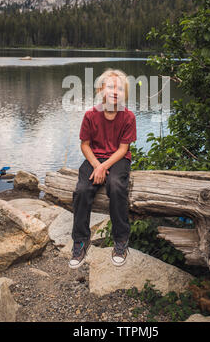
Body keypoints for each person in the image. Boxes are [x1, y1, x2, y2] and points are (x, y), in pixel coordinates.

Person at [69, 68, 137, 269]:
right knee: (82, 190)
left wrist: (104, 167)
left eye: (120, 89)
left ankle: (121, 240)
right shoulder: (91, 115)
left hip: (118, 157)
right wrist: (96, 165)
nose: (115, 92)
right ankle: (81, 241)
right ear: (101, 90)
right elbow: (85, 144)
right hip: (94, 157)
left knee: (116, 186)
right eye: (110, 87)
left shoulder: (128, 117)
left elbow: (124, 149)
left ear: (125, 94)